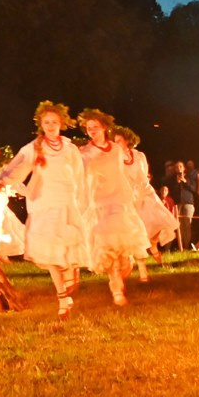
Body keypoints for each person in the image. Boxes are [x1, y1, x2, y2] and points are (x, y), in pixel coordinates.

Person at [0, 101, 88, 319]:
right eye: (46, 122)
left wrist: (82, 203)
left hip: (66, 202)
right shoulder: (34, 147)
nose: (50, 125)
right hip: (43, 204)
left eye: (54, 122)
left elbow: (80, 177)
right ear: (41, 123)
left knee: (64, 250)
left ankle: (71, 275)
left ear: (62, 123)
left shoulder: (70, 149)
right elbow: (16, 167)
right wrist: (0, 179)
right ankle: (63, 299)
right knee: (48, 255)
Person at [78, 109, 150, 306]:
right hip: (99, 202)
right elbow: (80, 173)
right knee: (106, 245)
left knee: (124, 250)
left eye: (95, 127)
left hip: (120, 200)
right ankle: (115, 287)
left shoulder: (117, 150)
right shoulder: (85, 152)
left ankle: (122, 273)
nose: (92, 130)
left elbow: (123, 173)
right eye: (88, 128)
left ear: (103, 127)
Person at [112, 126, 177, 272]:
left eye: (119, 141)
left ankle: (153, 246)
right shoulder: (116, 160)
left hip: (146, 193)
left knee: (157, 222)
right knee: (140, 228)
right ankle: (144, 261)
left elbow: (144, 174)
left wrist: (143, 189)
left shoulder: (139, 155)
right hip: (131, 198)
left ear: (127, 141)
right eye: (114, 142)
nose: (117, 144)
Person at [164, 161, 195, 251]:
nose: (179, 168)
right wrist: (177, 183)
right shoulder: (171, 179)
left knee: (187, 224)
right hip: (177, 203)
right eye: (177, 167)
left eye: (180, 166)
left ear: (184, 168)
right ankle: (181, 246)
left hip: (188, 203)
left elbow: (194, 189)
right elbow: (171, 191)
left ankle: (187, 245)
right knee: (179, 225)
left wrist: (185, 181)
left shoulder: (189, 178)